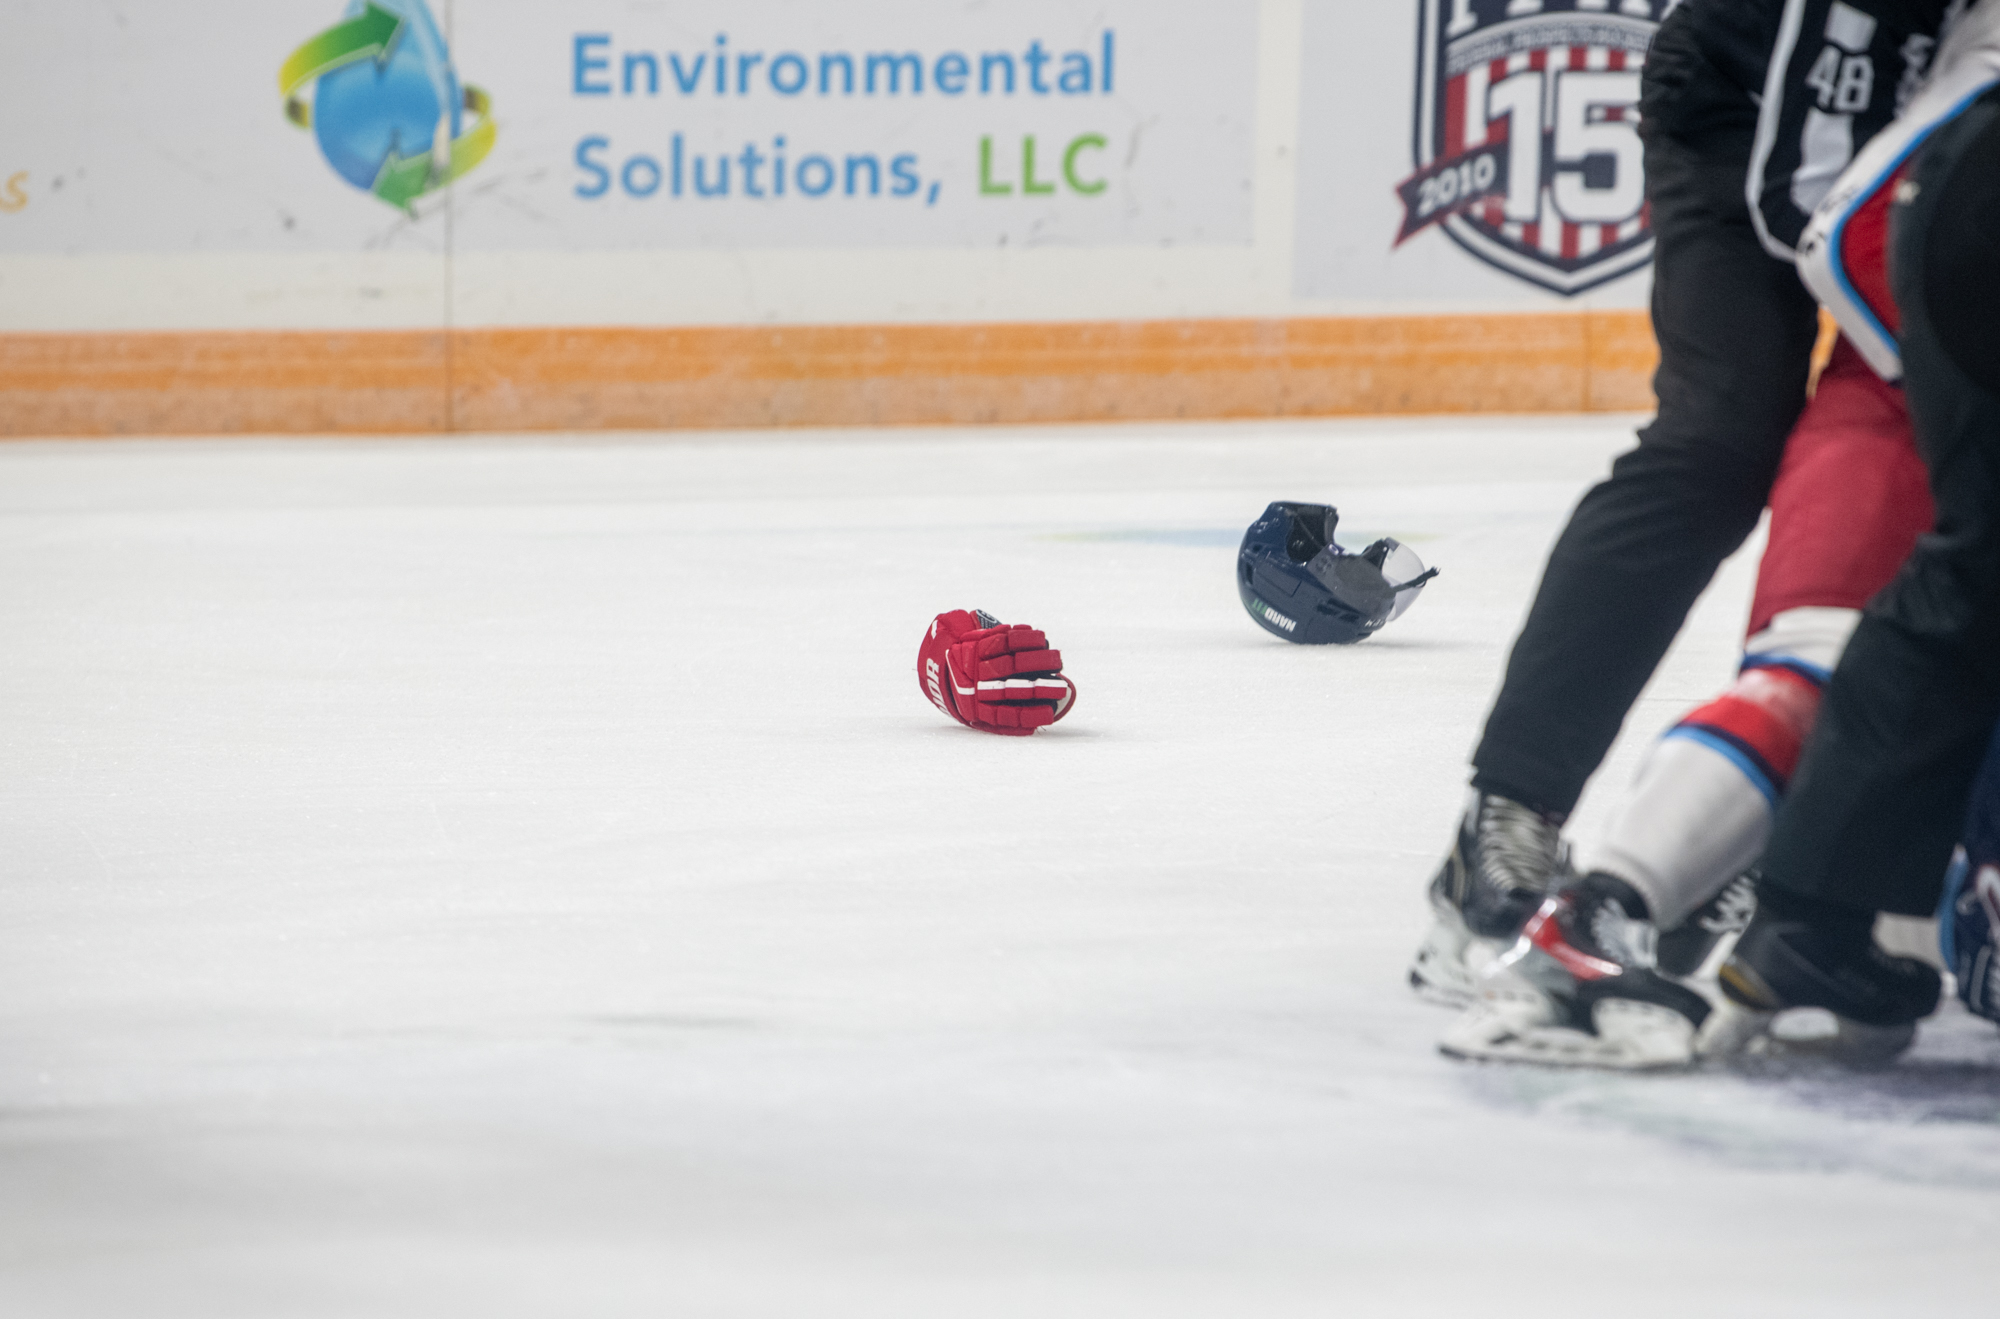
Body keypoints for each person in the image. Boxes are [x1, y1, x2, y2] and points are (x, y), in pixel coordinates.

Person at [1415, 0, 1961, 1007]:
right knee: (1716, 444)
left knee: (1919, 459)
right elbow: (1820, 202)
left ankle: (1784, 807)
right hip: (1753, 117)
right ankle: (1509, 811)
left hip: (1909, 135)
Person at [1712, 0, 2000, 1046]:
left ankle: (1806, 908)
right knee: (1942, 588)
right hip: (1939, 267)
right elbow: (1842, 228)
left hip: (1934, 257)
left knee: (1956, 583)